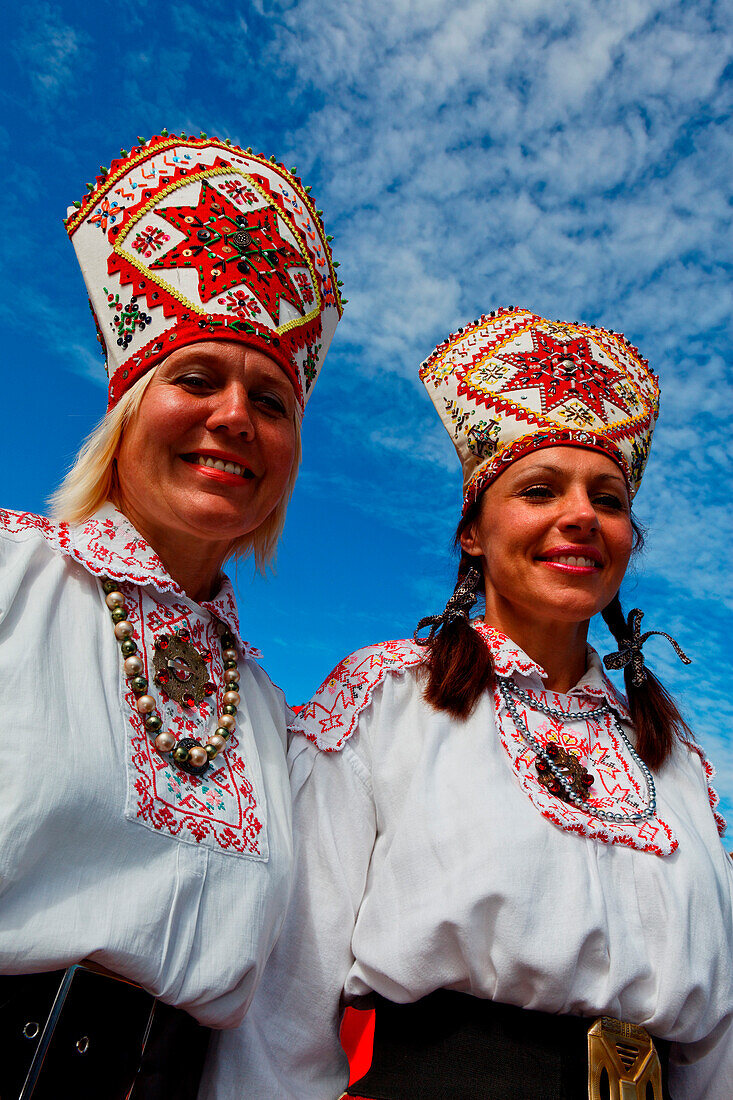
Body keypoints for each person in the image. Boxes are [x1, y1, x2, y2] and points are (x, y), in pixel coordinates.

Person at [202, 308, 732, 1099]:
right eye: (540, 490)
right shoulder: (384, 699)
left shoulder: (673, 758)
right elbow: (285, 1003)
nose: (581, 515)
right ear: (473, 533)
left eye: (609, 499)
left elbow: (715, 1047)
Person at [0, 130, 343, 1099]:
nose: (235, 415)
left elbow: (274, 1016)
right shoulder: (11, 580)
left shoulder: (279, 724)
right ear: (127, 407)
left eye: (271, 399)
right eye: (196, 379)